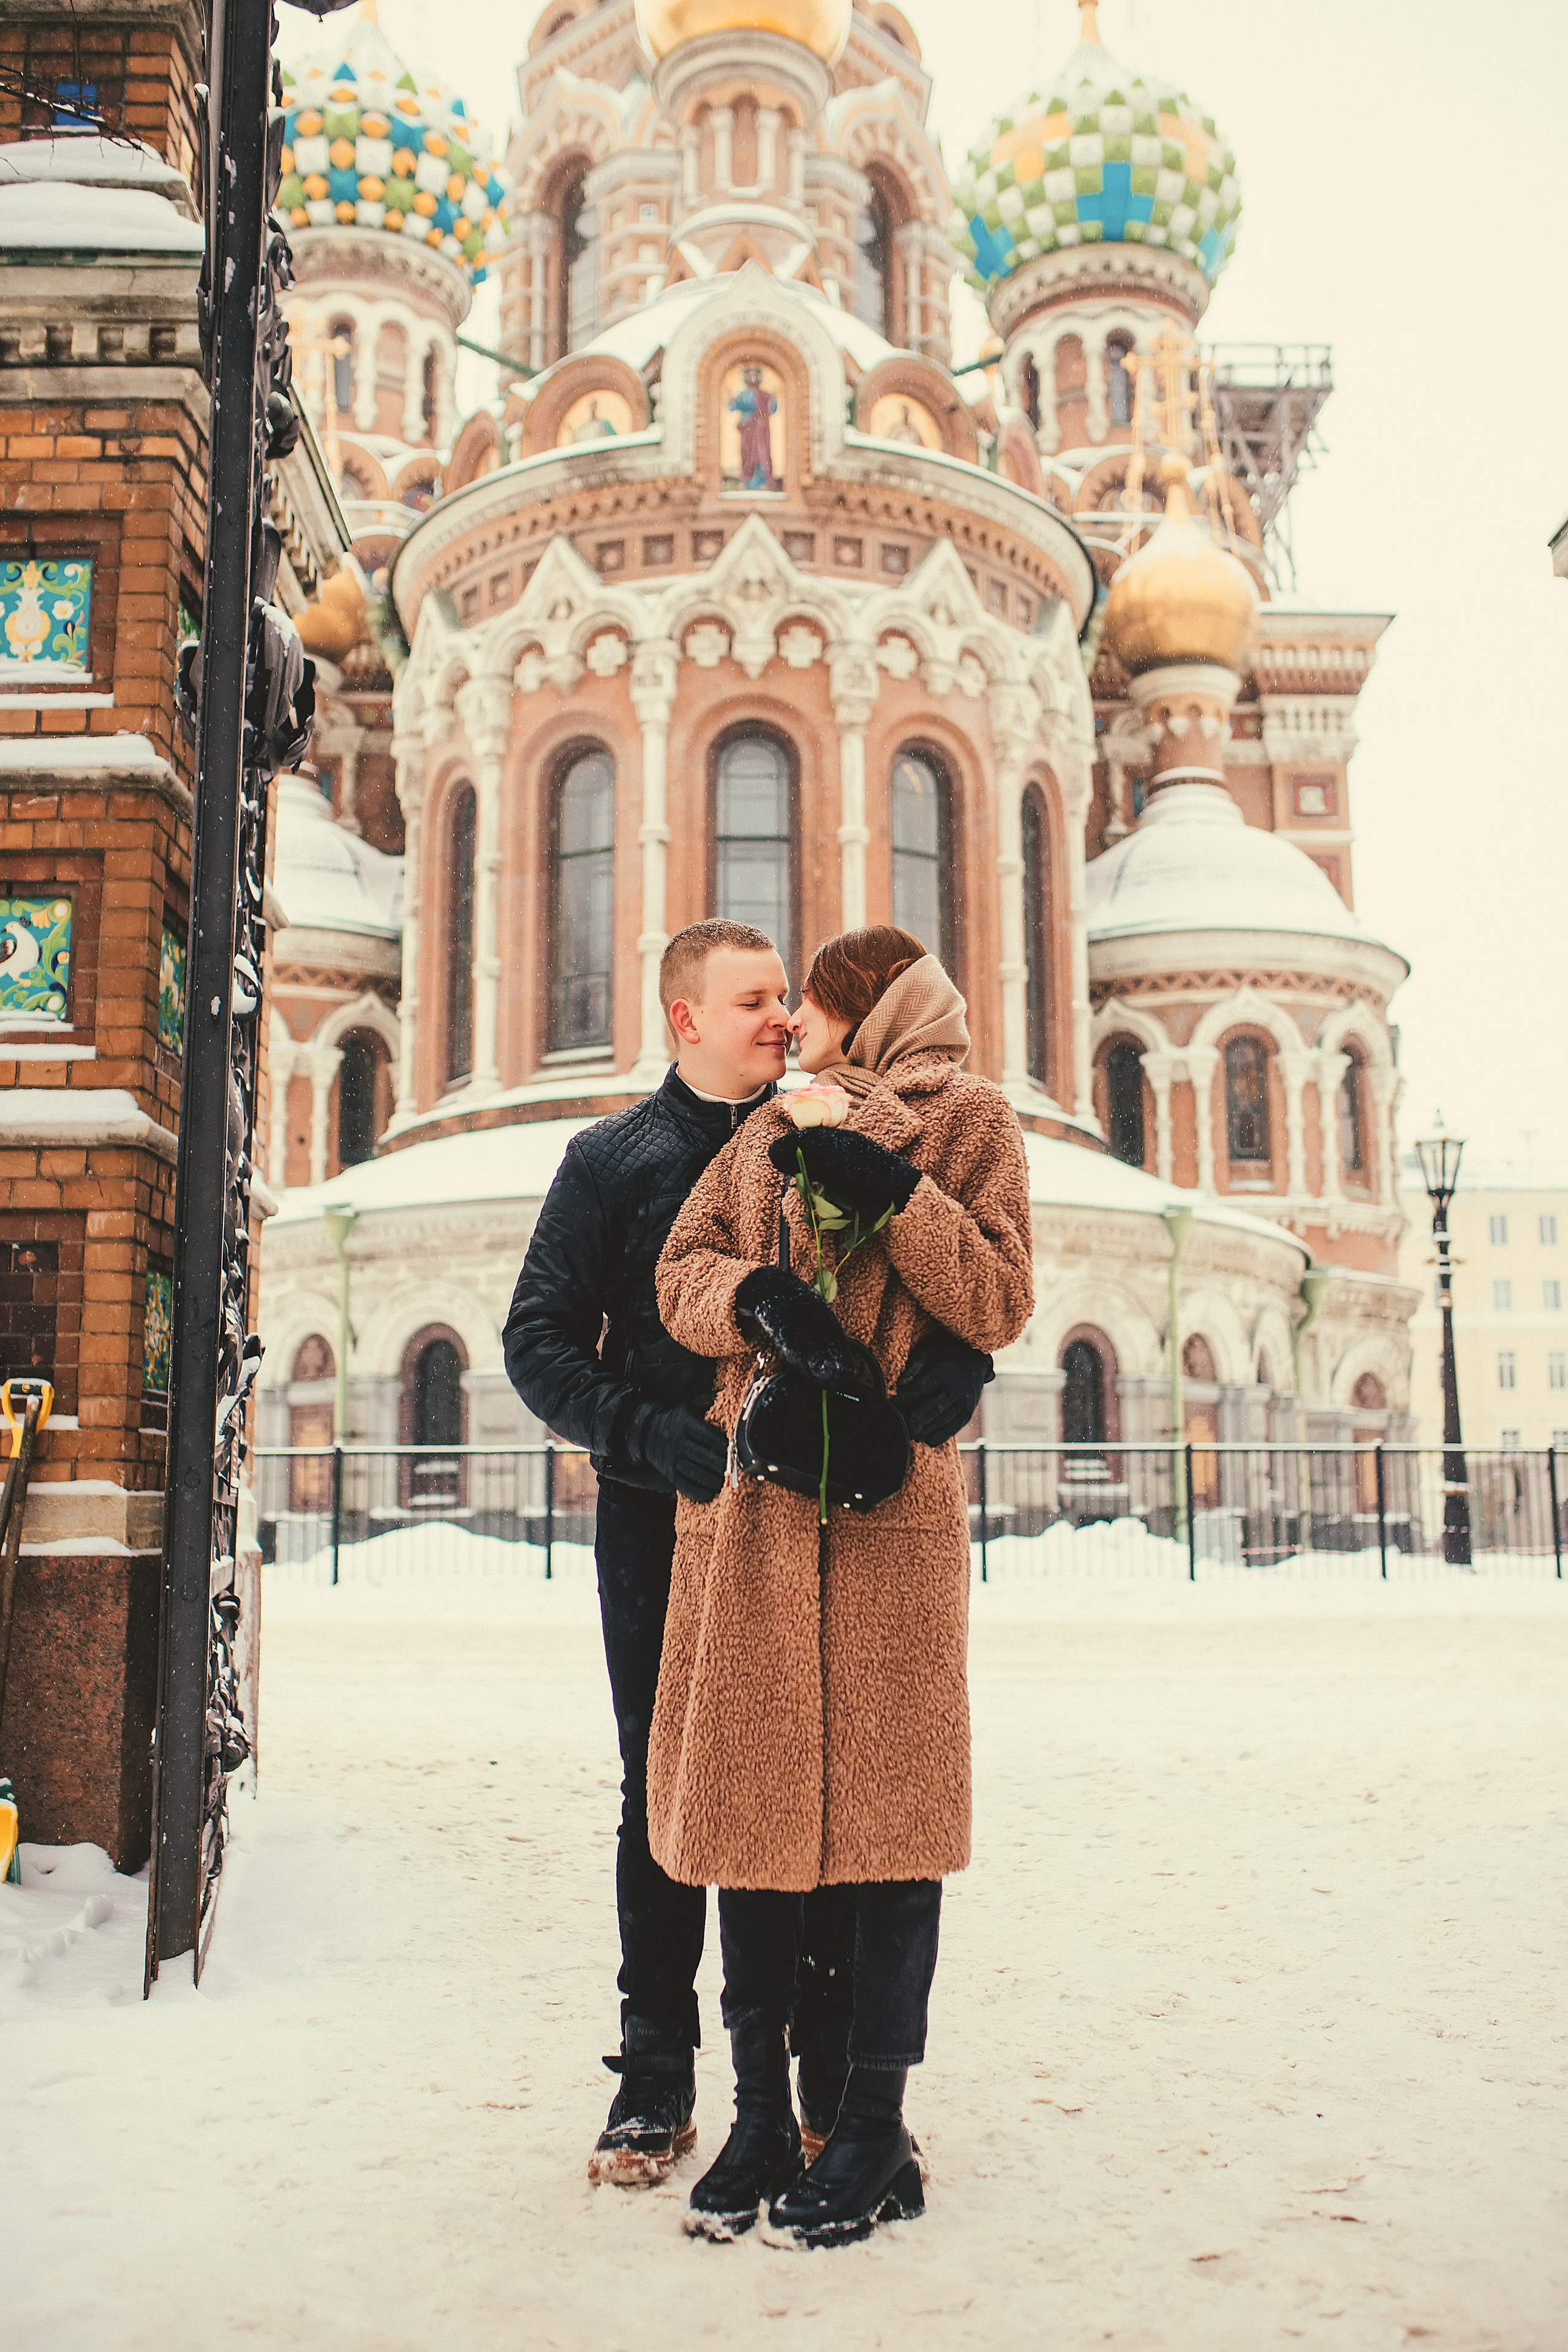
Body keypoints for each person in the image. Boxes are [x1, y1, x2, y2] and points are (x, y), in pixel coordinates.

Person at [502, 919, 993, 2188]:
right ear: (684, 1018)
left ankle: (828, 2090)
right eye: (754, 999)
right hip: (667, 1506)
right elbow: (539, 1340)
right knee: (664, 1789)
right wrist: (645, 1434)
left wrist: (959, 1354)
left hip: (817, 1512)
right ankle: (657, 2074)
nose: (781, 1017)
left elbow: (953, 1279)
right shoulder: (615, 1157)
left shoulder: (829, 1122)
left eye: (790, 997)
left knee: (820, 1780)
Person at [651, 926, 1035, 2246]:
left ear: (876, 1011)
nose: (795, 1028)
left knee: (890, 1832)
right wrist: (759, 1299)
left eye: (815, 1005)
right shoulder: (770, 1126)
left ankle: (868, 2122)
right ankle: (762, 2110)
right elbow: (678, 1271)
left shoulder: (970, 1118)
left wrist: (895, 1195)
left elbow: (995, 1297)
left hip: (886, 1519)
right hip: (759, 1519)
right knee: (752, 1821)